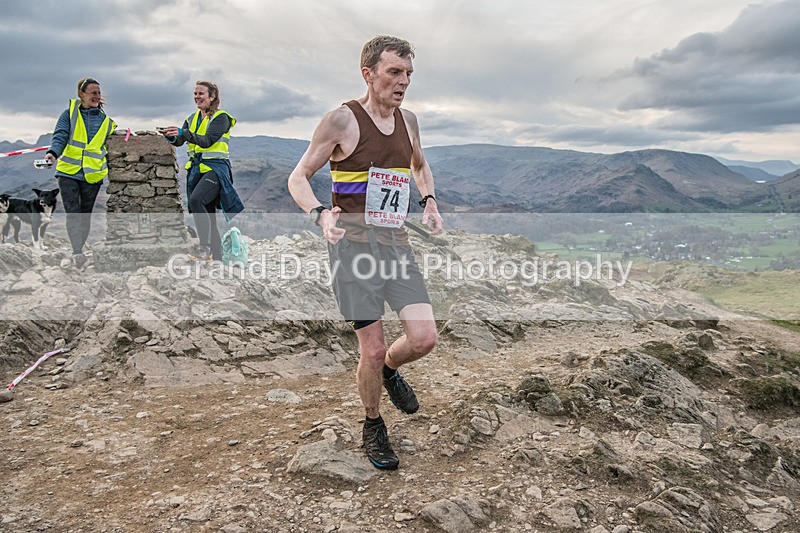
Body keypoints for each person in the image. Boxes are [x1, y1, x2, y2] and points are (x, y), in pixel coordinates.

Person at [288, 36, 444, 470]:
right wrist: (320, 213)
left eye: (409, 74)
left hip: (396, 245)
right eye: (394, 72)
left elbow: (418, 164)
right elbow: (298, 177)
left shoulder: (409, 121)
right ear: (368, 73)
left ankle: (392, 370)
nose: (403, 82)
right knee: (370, 351)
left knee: (424, 338)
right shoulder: (342, 120)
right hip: (354, 251)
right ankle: (373, 424)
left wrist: (428, 200)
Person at [161, 81, 243, 261]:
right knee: (208, 214)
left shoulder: (221, 118)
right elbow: (181, 141)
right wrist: (172, 137)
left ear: (212, 96)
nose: (197, 97)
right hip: (198, 170)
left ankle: (204, 247)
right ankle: (217, 258)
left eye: (201, 94)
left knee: (197, 200)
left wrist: (183, 132)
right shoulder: (192, 118)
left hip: (215, 169)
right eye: (195, 93)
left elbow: (207, 141)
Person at [44, 77, 116, 269]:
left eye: (99, 93)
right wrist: (53, 154)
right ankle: (77, 252)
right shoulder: (68, 115)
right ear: (81, 95)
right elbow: (60, 136)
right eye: (93, 92)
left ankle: (79, 248)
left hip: (92, 176)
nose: (97, 96)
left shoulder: (107, 122)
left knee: (85, 215)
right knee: (73, 213)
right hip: (68, 172)